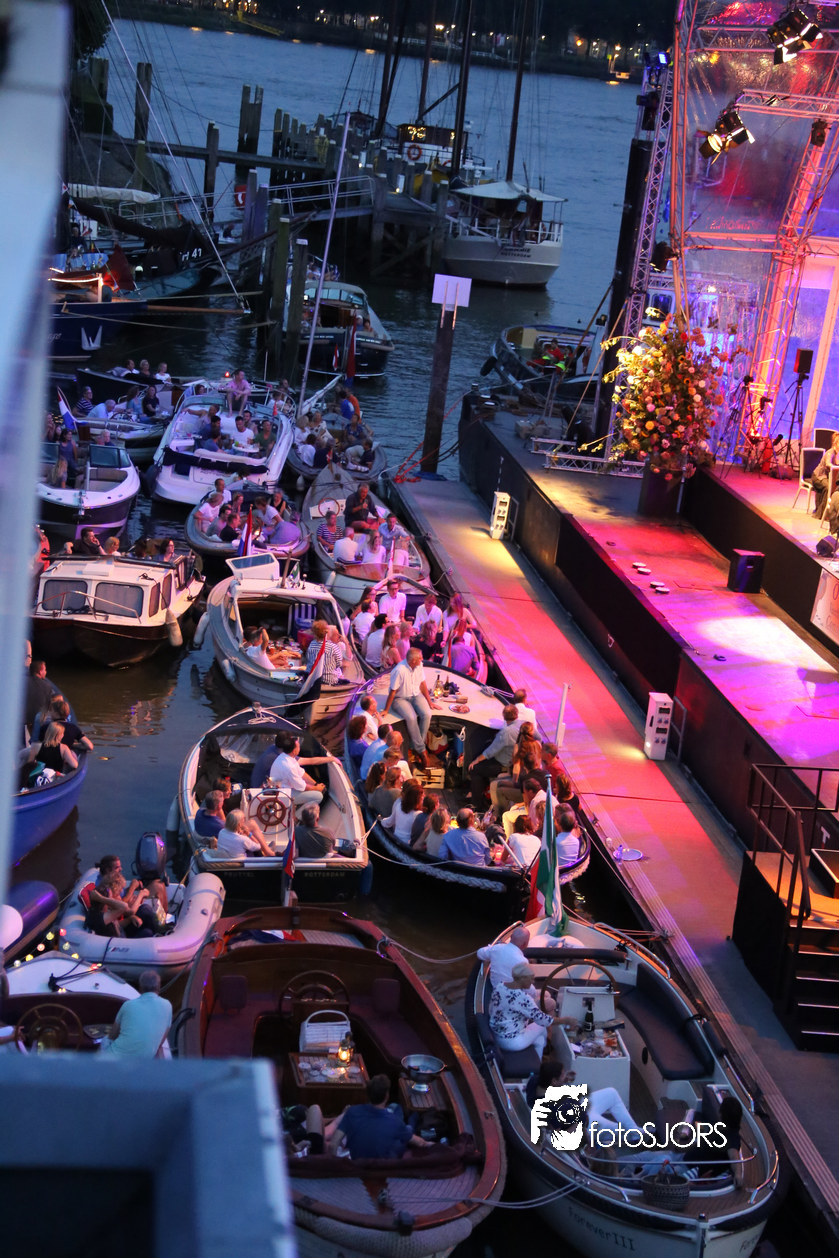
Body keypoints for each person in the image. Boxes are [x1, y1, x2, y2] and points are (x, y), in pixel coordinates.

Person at [328, 1073, 430, 1158]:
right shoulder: (394, 1122)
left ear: (368, 1094)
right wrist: (434, 1145)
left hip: (357, 1161)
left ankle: (409, 1123)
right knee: (407, 1128)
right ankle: (412, 1122)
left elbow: (333, 1145)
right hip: (382, 1163)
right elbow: (420, 1143)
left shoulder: (352, 1112)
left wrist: (338, 1168)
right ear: (386, 1096)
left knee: (397, 1107)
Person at [488, 962, 564, 1058]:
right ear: (522, 978)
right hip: (511, 1041)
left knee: (540, 1040)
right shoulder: (522, 998)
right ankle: (549, 1046)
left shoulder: (500, 985)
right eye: (531, 978)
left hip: (497, 1035)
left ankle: (540, 1060)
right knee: (541, 1027)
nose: (533, 981)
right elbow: (543, 1020)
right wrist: (565, 1020)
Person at [381, 648, 441, 763]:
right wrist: (386, 709)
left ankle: (417, 748)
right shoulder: (399, 670)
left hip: (415, 695)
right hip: (399, 698)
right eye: (420, 658)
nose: (422, 659)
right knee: (411, 717)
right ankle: (422, 751)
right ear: (413, 660)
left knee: (427, 714)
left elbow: (422, 684)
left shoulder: (419, 666)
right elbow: (393, 692)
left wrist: (430, 702)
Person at [99, 970, 172, 1058]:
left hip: (115, 1058)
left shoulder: (128, 1005)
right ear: (159, 987)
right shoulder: (167, 1005)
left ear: (140, 988)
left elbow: (112, 1035)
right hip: (143, 1060)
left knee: (105, 1040)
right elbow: (161, 1041)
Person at [467, 704, 522, 807]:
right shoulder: (524, 724)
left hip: (504, 764)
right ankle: (480, 794)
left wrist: (476, 760)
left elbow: (491, 751)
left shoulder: (506, 732)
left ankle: (476, 804)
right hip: (515, 762)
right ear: (517, 714)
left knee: (475, 768)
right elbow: (539, 738)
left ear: (504, 716)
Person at [269, 730, 338, 808]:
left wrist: (315, 784)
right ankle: (298, 815)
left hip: (280, 788)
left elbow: (301, 773)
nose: (300, 748)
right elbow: (301, 786)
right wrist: (317, 788)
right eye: (298, 747)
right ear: (294, 751)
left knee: (313, 790)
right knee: (318, 796)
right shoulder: (290, 767)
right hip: (282, 794)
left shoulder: (285, 757)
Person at [383, 779, 424, 843]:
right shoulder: (419, 815)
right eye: (422, 798)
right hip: (408, 844)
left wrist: (381, 821)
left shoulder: (399, 805)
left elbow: (389, 822)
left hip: (396, 839)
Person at [305, 619, 345, 685]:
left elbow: (308, 658)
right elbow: (339, 664)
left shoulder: (312, 644)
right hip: (329, 681)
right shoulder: (333, 647)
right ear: (327, 632)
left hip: (312, 680)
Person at [25, 660, 59, 731]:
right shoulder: (47, 687)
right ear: (40, 672)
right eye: (45, 670)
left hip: (23, 720)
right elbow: (50, 706)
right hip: (38, 721)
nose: (46, 672)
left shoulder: (22, 683)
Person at [812, 433, 839, 517]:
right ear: (835, 443)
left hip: (829, 477)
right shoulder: (830, 452)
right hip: (818, 476)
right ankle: (821, 514)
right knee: (828, 487)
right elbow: (828, 464)